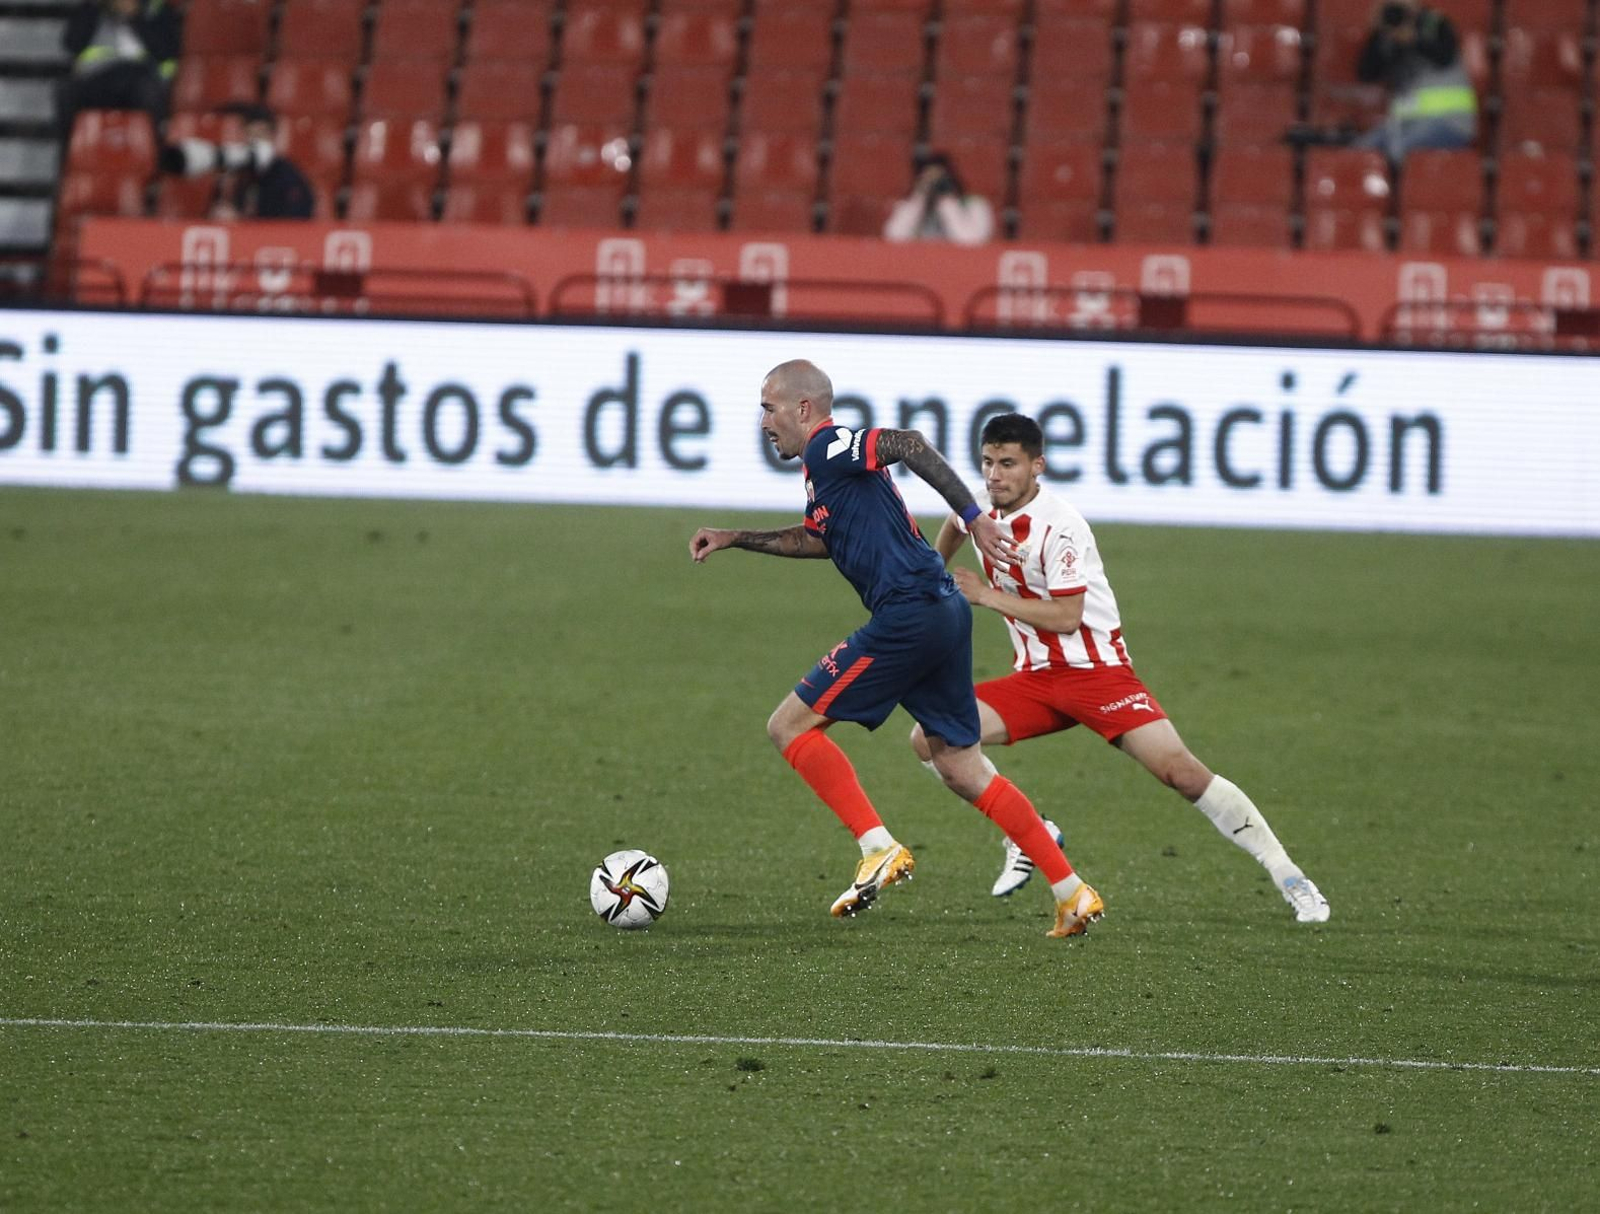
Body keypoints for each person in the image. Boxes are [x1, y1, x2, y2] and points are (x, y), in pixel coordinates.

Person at [689, 361, 1104, 939]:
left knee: (789, 726)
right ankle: (1070, 890)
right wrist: (738, 538)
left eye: (769, 408)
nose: (763, 421)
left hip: (909, 614)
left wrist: (974, 517)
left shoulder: (831, 444)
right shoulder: (822, 470)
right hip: (941, 613)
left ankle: (876, 846)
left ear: (803, 409)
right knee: (958, 764)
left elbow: (907, 443)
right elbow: (817, 539)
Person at [910, 412, 1330, 924]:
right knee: (929, 738)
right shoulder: (980, 510)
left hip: (1098, 674)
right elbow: (955, 525)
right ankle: (1029, 834)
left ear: (1037, 466)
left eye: (1008, 464)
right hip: (1036, 681)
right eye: (988, 463)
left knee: (1182, 772)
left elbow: (1067, 617)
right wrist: (933, 569)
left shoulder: (1061, 527)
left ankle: (1289, 874)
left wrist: (986, 596)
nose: (995, 475)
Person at [1353, 0, 1476, 164]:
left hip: (1448, 122)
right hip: (1404, 124)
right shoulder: (1387, 33)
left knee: (1396, 151)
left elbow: (1445, 56)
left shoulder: (1433, 23)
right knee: (1359, 152)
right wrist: (1379, 32)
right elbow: (1366, 73)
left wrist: (1413, 38)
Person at [158, 104, 316, 220]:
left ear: (273, 138)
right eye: (250, 135)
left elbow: (296, 222)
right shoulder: (235, 173)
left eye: (261, 135)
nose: (255, 142)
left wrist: (245, 222)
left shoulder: (288, 175)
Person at [58, 0, 181, 139]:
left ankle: (156, 153)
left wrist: (135, 16)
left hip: (140, 79)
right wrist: (95, 9)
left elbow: (167, 50)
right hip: (98, 78)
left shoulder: (156, 9)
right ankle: (70, 154)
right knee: (66, 91)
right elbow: (71, 44)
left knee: (150, 94)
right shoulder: (91, 8)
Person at [883, 152, 994, 246]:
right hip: (919, 263)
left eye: (939, 179)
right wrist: (920, 197)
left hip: (959, 264)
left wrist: (947, 201)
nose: (934, 185)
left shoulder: (974, 204)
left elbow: (973, 243)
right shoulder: (910, 205)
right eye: (928, 179)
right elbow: (893, 238)